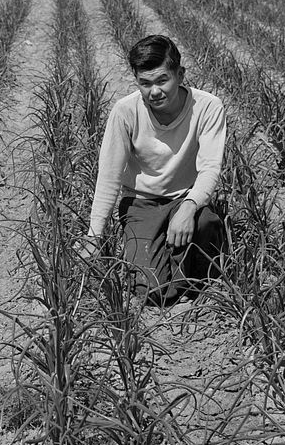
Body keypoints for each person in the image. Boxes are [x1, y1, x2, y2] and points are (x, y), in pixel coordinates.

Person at [78, 35, 227, 307]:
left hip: (185, 199)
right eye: (145, 83)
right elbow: (109, 176)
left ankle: (197, 278)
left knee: (204, 225)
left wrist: (189, 206)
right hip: (141, 203)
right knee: (153, 293)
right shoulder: (125, 112)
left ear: (180, 75)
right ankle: (161, 256)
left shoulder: (208, 107)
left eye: (162, 80)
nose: (154, 91)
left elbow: (209, 168)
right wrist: (94, 235)